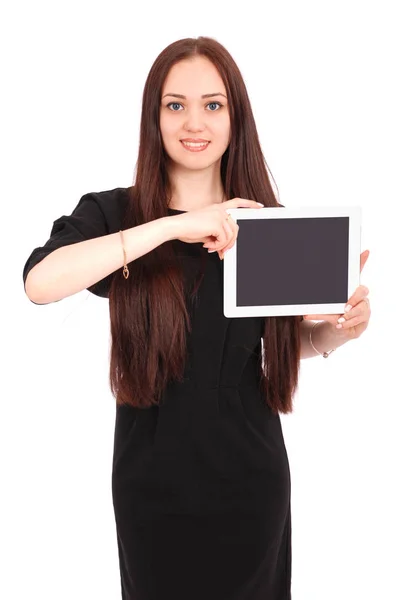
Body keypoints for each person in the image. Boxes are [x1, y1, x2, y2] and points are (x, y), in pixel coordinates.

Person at [22, 36, 371, 600]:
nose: (194, 122)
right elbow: (40, 283)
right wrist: (170, 226)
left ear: (236, 115)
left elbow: (281, 342)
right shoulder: (117, 215)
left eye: (213, 104)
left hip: (250, 478)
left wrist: (337, 331)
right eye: (175, 104)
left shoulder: (262, 222)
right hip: (151, 482)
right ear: (153, 116)